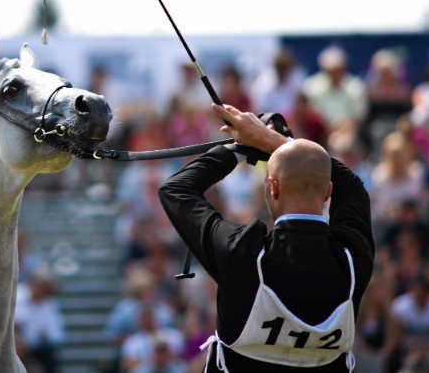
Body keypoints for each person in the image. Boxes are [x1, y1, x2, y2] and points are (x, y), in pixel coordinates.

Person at [158, 103, 374, 372]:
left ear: (273, 187)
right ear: (328, 191)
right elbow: (351, 188)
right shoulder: (354, 257)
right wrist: (273, 141)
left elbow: (176, 190)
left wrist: (241, 147)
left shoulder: (243, 251)